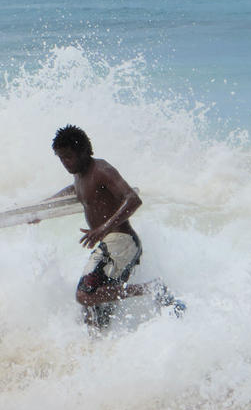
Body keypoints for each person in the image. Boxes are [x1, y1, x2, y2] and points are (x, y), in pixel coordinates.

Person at [49, 125, 185, 330]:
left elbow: (133, 199)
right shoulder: (79, 175)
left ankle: (151, 288)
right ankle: (100, 353)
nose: (65, 163)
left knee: (85, 294)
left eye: (68, 157)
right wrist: (42, 209)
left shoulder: (102, 170)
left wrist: (103, 228)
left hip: (121, 242)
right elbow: (72, 191)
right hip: (111, 244)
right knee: (96, 315)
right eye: (61, 158)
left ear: (84, 151)